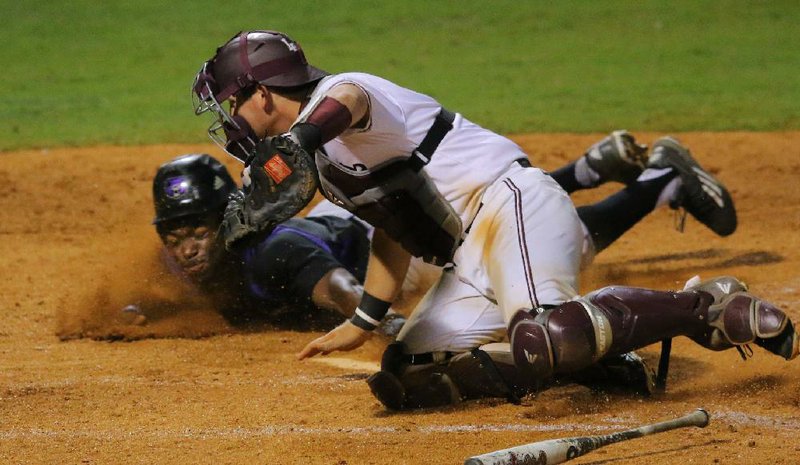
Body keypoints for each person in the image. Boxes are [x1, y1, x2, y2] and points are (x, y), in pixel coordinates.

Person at [191, 30, 798, 409]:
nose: (231, 119)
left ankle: (706, 309)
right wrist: (364, 319)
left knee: (543, 335)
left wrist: (300, 140)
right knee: (408, 375)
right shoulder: (322, 161)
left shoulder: (346, 93)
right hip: (470, 258)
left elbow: (345, 104)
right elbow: (393, 226)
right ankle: (603, 353)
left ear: (264, 93)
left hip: (514, 203)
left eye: (232, 102)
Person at [149, 152, 410, 334]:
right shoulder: (179, 265)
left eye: (200, 233)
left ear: (226, 221)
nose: (187, 250)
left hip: (388, 241)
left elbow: (341, 288)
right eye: (173, 239)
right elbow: (157, 301)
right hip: (323, 226)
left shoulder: (277, 251)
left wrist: (388, 324)